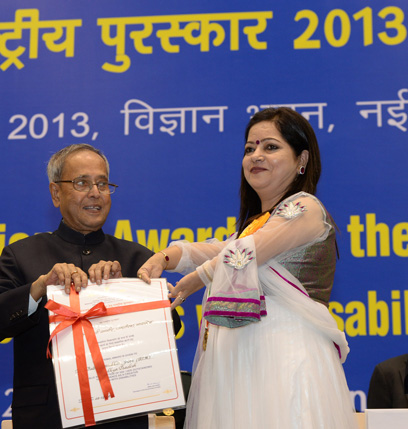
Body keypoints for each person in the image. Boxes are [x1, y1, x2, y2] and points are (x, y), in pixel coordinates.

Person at [138, 107, 357, 428]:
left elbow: (244, 253)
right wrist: (167, 256)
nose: (256, 156)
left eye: (270, 147)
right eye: (249, 149)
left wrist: (193, 281)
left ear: (302, 160)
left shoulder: (305, 208)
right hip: (241, 366)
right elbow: (220, 248)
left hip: (286, 361)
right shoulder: (254, 226)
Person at [0, 143, 180, 428]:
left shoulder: (137, 258)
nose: (95, 193)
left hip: (122, 418)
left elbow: (173, 325)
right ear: (55, 193)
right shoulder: (22, 254)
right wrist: (40, 287)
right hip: (46, 418)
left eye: (103, 183)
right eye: (82, 183)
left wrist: (126, 292)